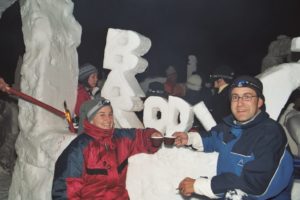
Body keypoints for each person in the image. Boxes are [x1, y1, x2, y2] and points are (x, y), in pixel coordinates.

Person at [173, 75, 294, 199]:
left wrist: (201, 185)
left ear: (259, 102)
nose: (240, 103)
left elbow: (256, 185)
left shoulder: (270, 133)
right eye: (235, 97)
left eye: (247, 97)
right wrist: (190, 138)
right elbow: (213, 138)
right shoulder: (230, 126)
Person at [52, 98, 163, 199]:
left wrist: (154, 135)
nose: (108, 119)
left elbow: (140, 136)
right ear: (91, 120)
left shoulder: (120, 138)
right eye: (102, 115)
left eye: (110, 114)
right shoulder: (79, 148)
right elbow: (65, 190)